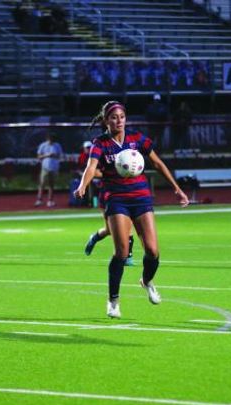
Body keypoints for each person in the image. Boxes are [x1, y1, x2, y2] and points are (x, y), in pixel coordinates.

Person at [74, 101, 189, 318]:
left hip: (141, 197)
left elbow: (157, 163)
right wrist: (83, 186)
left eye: (122, 117)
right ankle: (113, 300)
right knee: (122, 252)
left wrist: (177, 189)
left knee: (153, 251)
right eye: (114, 117)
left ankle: (146, 281)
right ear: (106, 120)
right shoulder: (100, 143)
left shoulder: (137, 139)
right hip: (116, 198)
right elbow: (91, 167)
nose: (119, 121)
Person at [35, 133, 63, 207]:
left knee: (51, 185)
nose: (51, 140)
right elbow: (39, 156)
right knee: (42, 184)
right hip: (45, 168)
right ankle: (39, 200)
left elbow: (60, 156)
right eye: (50, 139)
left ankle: (50, 201)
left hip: (54, 168)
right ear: (47, 139)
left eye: (52, 139)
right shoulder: (43, 145)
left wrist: (54, 155)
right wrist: (47, 155)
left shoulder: (57, 145)